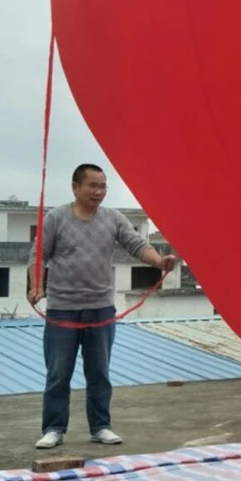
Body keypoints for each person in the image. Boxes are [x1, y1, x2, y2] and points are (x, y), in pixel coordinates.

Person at [28, 163, 175, 450]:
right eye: (92, 186)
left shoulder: (113, 218)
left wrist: (159, 262)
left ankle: (101, 426)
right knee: (58, 373)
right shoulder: (56, 218)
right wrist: (36, 286)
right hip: (62, 309)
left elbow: (135, 244)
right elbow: (38, 255)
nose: (98, 192)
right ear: (75, 187)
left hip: (100, 309)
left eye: (103, 186)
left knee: (99, 372)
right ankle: (54, 428)